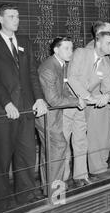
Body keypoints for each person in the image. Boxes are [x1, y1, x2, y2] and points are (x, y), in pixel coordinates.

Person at [0, 4, 48, 213]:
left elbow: (32, 74)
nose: (16, 19)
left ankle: (25, 195)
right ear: (0, 19)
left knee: (26, 155)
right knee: (1, 158)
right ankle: (2, 202)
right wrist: (7, 103)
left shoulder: (24, 41)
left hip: (26, 109)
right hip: (2, 110)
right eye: (11, 16)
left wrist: (40, 99)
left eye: (17, 16)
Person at [36, 37, 87, 189]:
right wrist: (77, 102)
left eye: (71, 48)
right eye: (66, 48)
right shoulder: (49, 68)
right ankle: (55, 191)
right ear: (56, 49)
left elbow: (63, 89)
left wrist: (76, 97)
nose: (70, 52)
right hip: (47, 117)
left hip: (54, 116)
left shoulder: (61, 64)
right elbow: (53, 100)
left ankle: (49, 189)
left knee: (51, 151)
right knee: (57, 148)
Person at [68, 32, 110, 178]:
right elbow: (72, 78)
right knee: (62, 146)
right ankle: (59, 184)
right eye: (109, 43)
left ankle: (81, 177)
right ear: (98, 43)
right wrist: (90, 97)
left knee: (81, 143)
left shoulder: (106, 63)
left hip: (85, 105)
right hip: (68, 103)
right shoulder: (81, 53)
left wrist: (106, 96)